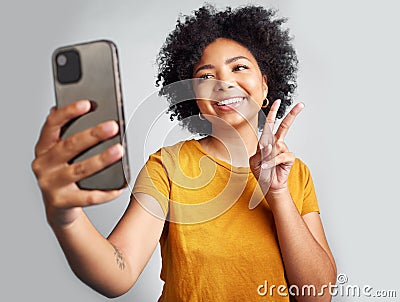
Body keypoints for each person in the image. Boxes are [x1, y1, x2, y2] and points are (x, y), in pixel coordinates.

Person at [32, 4, 336, 301]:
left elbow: (318, 295)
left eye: (239, 67)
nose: (224, 83)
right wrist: (66, 217)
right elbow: (118, 274)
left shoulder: (294, 173)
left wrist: (278, 192)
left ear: (265, 84)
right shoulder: (167, 167)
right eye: (205, 76)